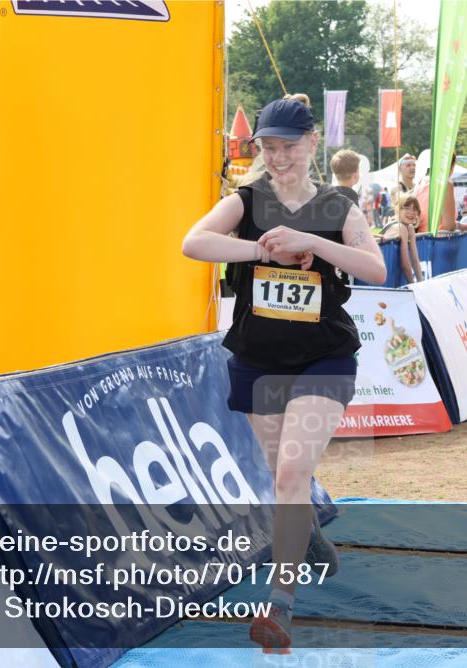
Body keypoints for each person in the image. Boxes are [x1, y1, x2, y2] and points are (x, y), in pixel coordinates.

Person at [181, 95, 386, 653]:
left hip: (325, 356)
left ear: (313, 144)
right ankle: (308, 534)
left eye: (288, 147)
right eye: (268, 148)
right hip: (258, 357)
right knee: (284, 480)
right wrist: (259, 250)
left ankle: (280, 608)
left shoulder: (340, 205)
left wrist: (312, 242)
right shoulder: (245, 200)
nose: (278, 158)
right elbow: (191, 242)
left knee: (293, 470)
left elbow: (375, 267)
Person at [391, 196, 423, 284]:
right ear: (398, 210)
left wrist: (422, 283)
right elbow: (405, 265)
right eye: (407, 208)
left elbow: (415, 260)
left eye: (415, 209)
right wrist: (412, 285)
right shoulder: (401, 227)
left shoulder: (410, 228)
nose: (411, 212)